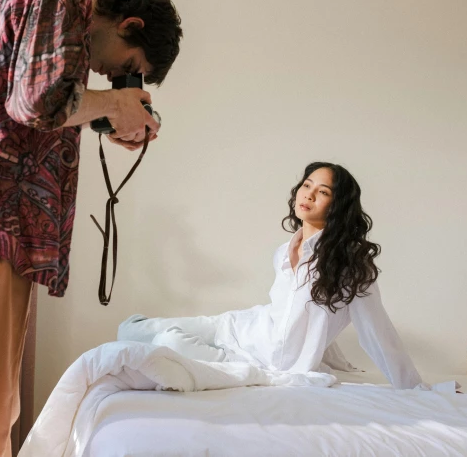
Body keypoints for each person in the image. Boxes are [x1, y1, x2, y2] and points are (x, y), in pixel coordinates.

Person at [0, 0, 182, 456]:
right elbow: (34, 101)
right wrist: (115, 103)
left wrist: (108, 111)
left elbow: (37, 100)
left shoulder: (60, 29)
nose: (114, 75)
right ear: (131, 23)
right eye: (130, 64)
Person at [118, 162, 427, 389]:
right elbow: (301, 319)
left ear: (337, 206)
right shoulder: (283, 251)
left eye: (323, 192)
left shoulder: (349, 265)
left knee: (167, 341)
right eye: (307, 185)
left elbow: (377, 332)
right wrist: (328, 354)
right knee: (132, 329)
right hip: (238, 327)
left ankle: (240, 375)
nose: (309, 194)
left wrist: (415, 389)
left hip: (264, 364)